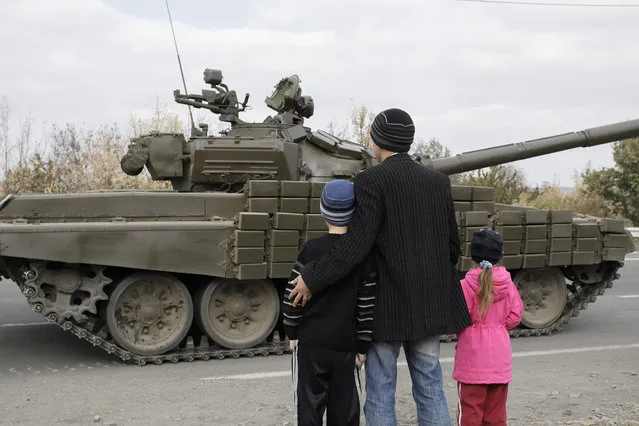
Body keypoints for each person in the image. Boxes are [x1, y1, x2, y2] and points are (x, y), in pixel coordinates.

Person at [288, 108, 472, 425]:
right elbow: (452, 248)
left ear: (377, 140)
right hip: (430, 304)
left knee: (381, 390)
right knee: (430, 387)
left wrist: (311, 278)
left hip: (387, 308)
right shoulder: (437, 182)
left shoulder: (370, 181)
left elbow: (356, 247)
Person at [282, 179, 377, 426]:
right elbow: (366, 306)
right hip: (345, 344)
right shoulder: (363, 255)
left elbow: (293, 294)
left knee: (309, 407)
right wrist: (363, 345)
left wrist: (292, 331)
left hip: (312, 343)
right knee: (344, 410)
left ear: (322, 211)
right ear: (354, 211)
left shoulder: (311, 249)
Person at [453, 228, 523, 425]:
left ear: (472, 255)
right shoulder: (507, 285)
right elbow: (515, 317)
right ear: (500, 256)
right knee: (496, 417)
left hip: (471, 365)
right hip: (499, 363)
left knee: (469, 415)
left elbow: (457, 319)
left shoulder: (465, 286)